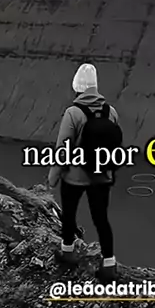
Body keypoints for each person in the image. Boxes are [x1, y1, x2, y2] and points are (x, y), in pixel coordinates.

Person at [48, 63, 121, 282]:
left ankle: (68, 251)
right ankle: (109, 264)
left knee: (69, 213)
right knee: (101, 219)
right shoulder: (111, 112)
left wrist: (53, 176)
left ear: (77, 85)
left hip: (75, 176)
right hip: (102, 176)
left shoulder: (73, 113)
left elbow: (63, 147)